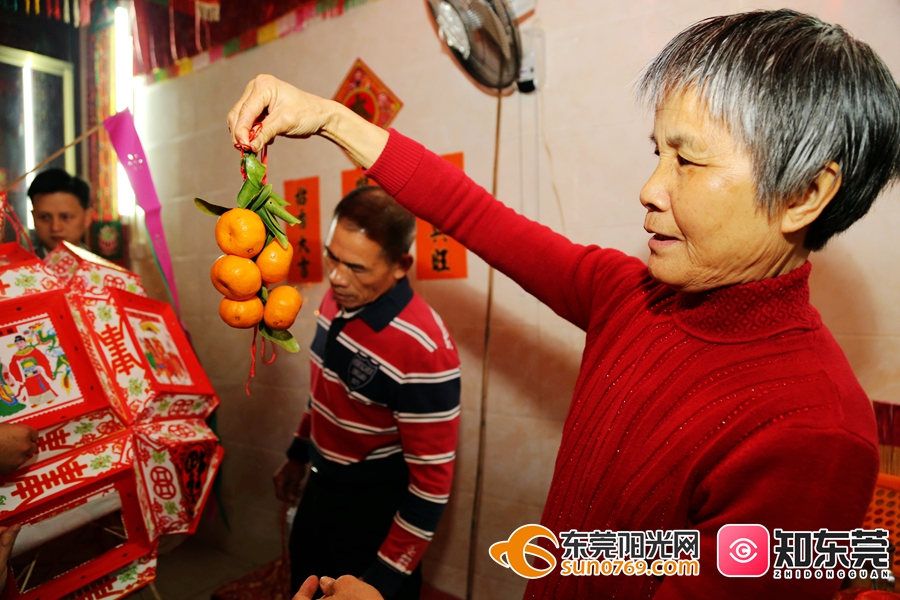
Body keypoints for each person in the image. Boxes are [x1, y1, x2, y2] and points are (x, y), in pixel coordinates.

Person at [230, 9, 900, 599]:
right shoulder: (628, 295)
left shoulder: (816, 434)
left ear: (805, 194)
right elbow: (474, 213)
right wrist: (329, 117)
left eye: (687, 162)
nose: (649, 188)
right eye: (655, 153)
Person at [271, 187, 461, 599]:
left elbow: (431, 485)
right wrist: (297, 454)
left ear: (399, 265)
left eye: (356, 267)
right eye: (332, 256)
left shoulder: (424, 348)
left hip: (374, 515)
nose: (336, 277)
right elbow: (325, 389)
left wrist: (381, 580)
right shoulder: (337, 299)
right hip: (320, 492)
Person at [26, 168, 93, 259]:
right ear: (33, 217)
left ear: (87, 217)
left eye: (65, 217)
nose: (55, 227)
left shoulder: (106, 271)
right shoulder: (16, 270)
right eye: (45, 217)